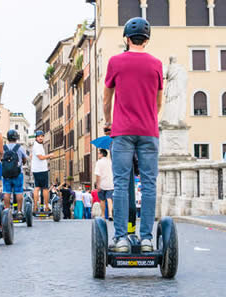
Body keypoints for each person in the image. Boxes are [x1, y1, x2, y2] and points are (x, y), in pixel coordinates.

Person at [103, 17, 163, 252]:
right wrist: (148, 117)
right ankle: (147, 239)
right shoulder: (156, 64)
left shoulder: (115, 62)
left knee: (120, 185)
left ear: (126, 39)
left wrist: (108, 121)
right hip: (149, 131)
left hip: (123, 132)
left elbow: (106, 98)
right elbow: (158, 102)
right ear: (146, 40)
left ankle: (121, 239)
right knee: (148, 185)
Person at [2, 130, 28, 215]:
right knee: (19, 192)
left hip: (6, 174)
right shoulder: (20, 148)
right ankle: (19, 211)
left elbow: (0, 159)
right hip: (18, 173)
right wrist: (21, 163)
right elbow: (24, 159)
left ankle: (7, 211)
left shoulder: (3, 148)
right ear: (16, 138)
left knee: (6, 192)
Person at [31, 130, 53, 212]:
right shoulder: (37, 146)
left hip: (36, 169)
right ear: (36, 138)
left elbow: (33, 156)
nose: (40, 138)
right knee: (44, 188)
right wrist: (49, 155)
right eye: (39, 136)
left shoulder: (36, 146)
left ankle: (35, 206)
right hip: (42, 169)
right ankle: (46, 206)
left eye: (42, 136)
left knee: (37, 187)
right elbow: (40, 157)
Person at [95, 149, 114, 221]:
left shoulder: (99, 162)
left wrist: (98, 184)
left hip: (102, 184)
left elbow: (97, 174)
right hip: (110, 183)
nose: (98, 155)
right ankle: (110, 214)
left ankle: (103, 215)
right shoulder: (110, 161)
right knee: (109, 199)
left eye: (98, 153)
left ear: (102, 154)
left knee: (102, 200)